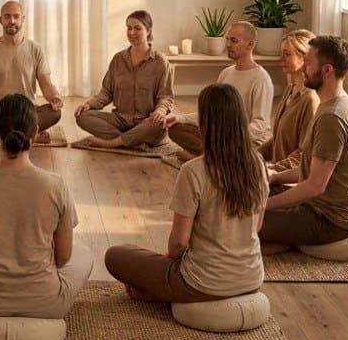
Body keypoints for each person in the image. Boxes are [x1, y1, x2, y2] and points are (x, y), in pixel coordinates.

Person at [105, 83, 266, 302]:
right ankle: (161, 291)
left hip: (202, 284)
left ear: (205, 123)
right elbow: (257, 226)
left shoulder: (194, 171)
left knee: (116, 255)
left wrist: (169, 264)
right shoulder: (259, 164)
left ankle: (160, 293)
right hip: (252, 279)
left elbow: (178, 244)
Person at [0, 94, 94, 318]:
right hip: (48, 306)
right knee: (84, 255)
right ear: (35, 133)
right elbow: (63, 258)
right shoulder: (57, 185)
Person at [261, 35, 348, 251]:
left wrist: (263, 206)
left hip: (330, 218)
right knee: (246, 195)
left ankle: (279, 243)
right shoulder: (329, 105)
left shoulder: (332, 118)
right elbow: (311, 169)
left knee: (238, 219)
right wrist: (274, 177)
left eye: (308, 63)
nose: (303, 69)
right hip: (315, 205)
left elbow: (315, 186)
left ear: (327, 70)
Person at [0, 0, 64, 144]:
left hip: (26, 110)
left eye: (16, 16)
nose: (12, 21)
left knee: (55, 113)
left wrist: (55, 98)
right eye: (7, 17)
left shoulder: (35, 49)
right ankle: (29, 135)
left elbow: (46, 84)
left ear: (23, 19)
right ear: (0, 20)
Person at [166, 22, 274, 159]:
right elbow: (210, 113)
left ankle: (211, 158)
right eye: (227, 39)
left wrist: (230, 138)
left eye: (234, 40)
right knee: (174, 128)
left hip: (242, 141)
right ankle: (216, 158)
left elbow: (260, 124)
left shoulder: (261, 79)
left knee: (215, 144)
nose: (228, 45)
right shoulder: (226, 73)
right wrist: (178, 117)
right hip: (219, 136)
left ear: (250, 45)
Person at [73, 10, 175, 150]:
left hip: (146, 121)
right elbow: (107, 92)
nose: (132, 32)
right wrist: (89, 105)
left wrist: (160, 111)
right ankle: (133, 141)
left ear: (148, 30)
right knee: (82, 117)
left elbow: (166, 97)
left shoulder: (160, 62)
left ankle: (111, 143)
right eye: (129, 28)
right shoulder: (118, 59)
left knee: (158, 124)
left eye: (137, 28)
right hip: (120, 119)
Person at [259, 29, 319, 172]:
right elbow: (278, 140)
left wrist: (272, 171)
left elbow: (304, 154)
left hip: (289, 180)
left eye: (287, 54)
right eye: (281, 54)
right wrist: (253, 155)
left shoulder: (310, 100)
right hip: (276, 172)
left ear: (304, 58)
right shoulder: (290, 90)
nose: (281, 59)